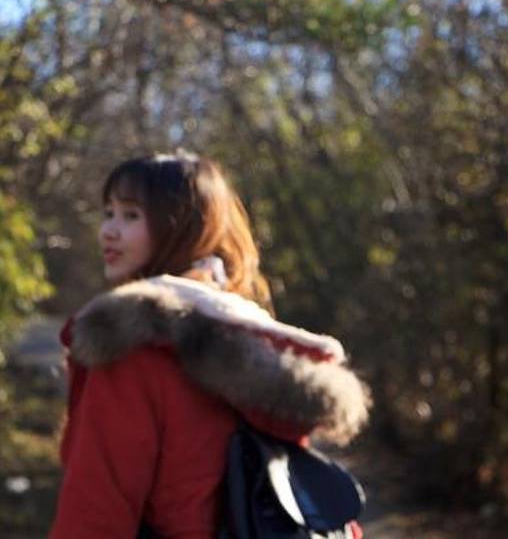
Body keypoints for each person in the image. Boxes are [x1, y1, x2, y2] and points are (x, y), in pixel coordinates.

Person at [50, 151, 370, 538]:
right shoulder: (257, 341)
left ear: (183, 227)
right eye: (108, 213)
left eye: (131, 215)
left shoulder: (130, 349)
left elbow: (97, 512)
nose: (108, 231)